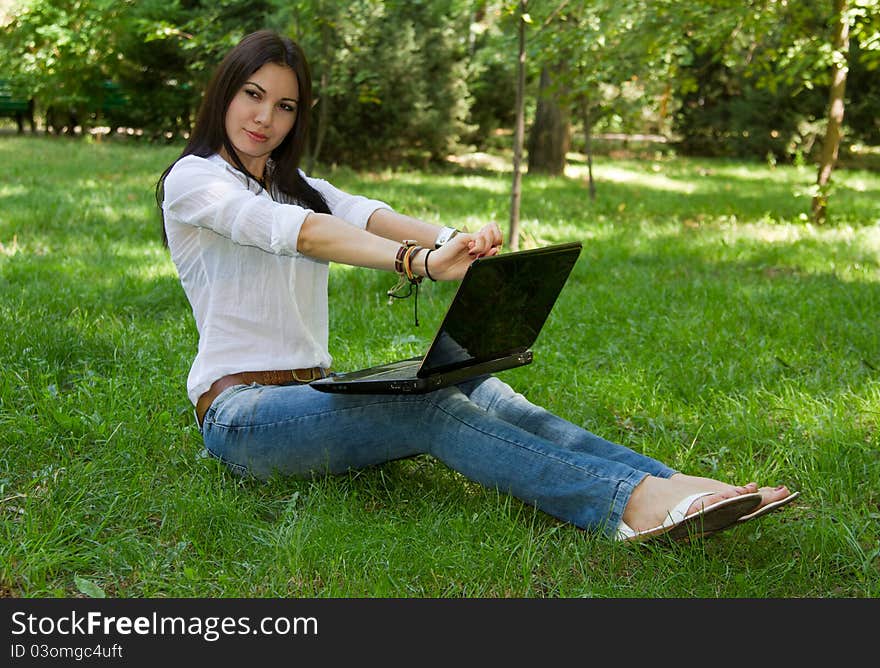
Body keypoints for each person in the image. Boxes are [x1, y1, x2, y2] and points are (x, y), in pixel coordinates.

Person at [156, 29, 797, 543]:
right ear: (224, 95)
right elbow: (301, 233)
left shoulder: (294, 184)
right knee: (427, 408)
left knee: (473, 385)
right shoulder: (194, 181)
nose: (265, 117)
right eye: (252, 94)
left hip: (313, 393)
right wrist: (418, 261)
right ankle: (629, 505)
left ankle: (674, 484)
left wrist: (454, 239)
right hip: (242, 418)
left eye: (285, 105)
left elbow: (362, 213)